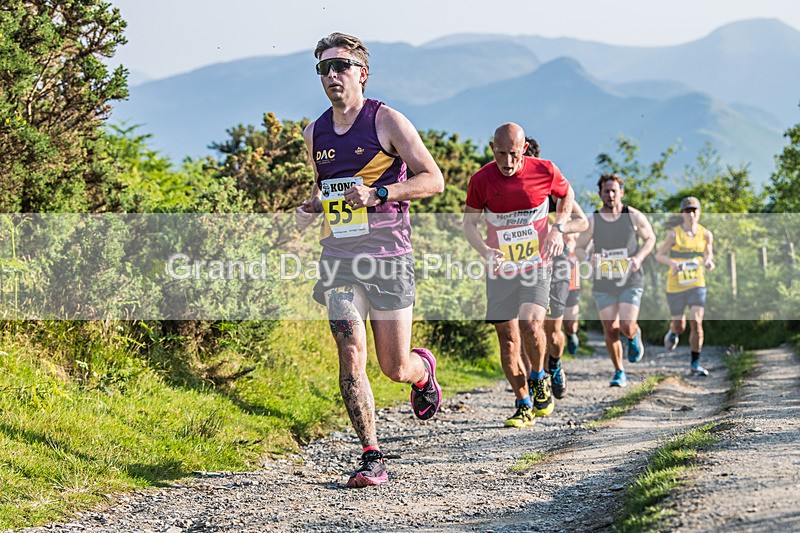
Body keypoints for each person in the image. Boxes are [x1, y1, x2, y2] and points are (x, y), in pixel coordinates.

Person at [295, 32, 445, 488]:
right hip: (340, 256)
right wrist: (312, 206)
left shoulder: (386, 120)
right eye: (323, 68)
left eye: (340, 66)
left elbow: (433, 179)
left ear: (362, 73)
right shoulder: (314, 133)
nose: (332, 75)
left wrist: (380, 192)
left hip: (389, 255)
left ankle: (422, 372)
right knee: (349, 348)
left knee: (393, 366)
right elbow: (327, 188)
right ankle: (371, 455)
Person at [462, 124, 574, 428]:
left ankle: (538, 376)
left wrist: (558, 229)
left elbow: (567, 195)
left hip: (536, 265)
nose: (508, 162)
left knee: (531, 323)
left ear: (524, 149)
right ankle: (523, 403)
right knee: (509, 341)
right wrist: (485, 250)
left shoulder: (544, 170)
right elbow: (469, 224)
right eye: (501, 154)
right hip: (500, 269)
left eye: (514, 154)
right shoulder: (481, 180)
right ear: (491, 149)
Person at [523, 137, 588, 399]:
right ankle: (534, 382)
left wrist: (556, 229)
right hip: (521, 263)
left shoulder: (549, 186)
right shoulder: (506, 188)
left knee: (552, 332)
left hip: (555, 261)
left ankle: (556, 363)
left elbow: (582, 221)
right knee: (527, 326)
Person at [575, 174, 656, 387]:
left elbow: (650, 238)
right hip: (604, 282)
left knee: (626, 325)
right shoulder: (593, 220)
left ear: (621, 192)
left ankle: (634, 334)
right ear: (600, 194)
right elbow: (578, 247)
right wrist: (589, 258)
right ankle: (619, 371)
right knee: (611, 329)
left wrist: (639, 258)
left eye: (614, 191)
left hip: (630, 278)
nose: (610, 195)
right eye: (606, 191)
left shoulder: (633, 216)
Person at [654, 196, 715, 376]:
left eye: (694, 210)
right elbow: (659, 255)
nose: (691, 214)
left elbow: (708, 254)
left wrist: (709, 262)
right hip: (676, 285)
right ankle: (673, 332)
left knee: (696, 322)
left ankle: (695, 363)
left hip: (697, 283)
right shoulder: (673, 234)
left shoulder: (706, 234)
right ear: (682, 214)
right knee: (679, 326)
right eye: (687, 211)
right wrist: (672, 263)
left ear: (699, 212)